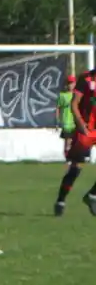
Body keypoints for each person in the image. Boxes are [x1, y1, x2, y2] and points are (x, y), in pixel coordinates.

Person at [54, 67, 96, 217]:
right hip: (86, 129)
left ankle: (92, 195)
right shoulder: (86, 79)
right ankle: (61, 200)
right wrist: (81, 124)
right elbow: (74, 104)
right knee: (76, 167)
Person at [57, 75, 77, 159]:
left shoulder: (77, 95)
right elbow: (58, 107)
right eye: (69, 83)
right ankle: (67, 158)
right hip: (67, 122)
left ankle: (73, 158)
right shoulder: (62, 95)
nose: (70, 85)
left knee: (75, 141)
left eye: (72, 83)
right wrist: (57, 120)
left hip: (76, 122)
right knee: (67, 141)